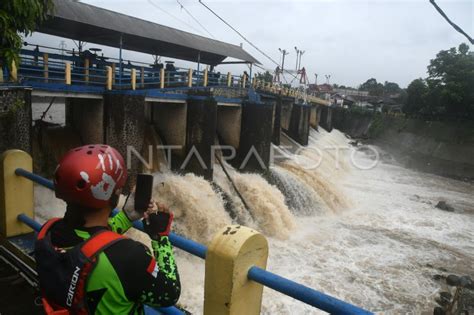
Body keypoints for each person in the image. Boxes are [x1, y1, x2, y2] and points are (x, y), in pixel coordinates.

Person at [35, 144, 180, 314]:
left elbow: (90, 243)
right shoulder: (129, 256)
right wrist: (160, 237)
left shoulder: (48, 232)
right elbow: (169, 292)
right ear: (113, 193)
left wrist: (126, 217)